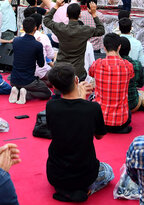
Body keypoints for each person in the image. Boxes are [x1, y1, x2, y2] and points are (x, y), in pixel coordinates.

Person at [46, 63, 112, 202]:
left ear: (54, 87)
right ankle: (84, 190)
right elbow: (99, 136)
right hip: (84, 175)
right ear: (76, 80)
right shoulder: (92, 108)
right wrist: (83, 100)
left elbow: (68, 118)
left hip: (55, 174)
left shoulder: (51, 106)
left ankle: (70, 190)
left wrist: (81, 100)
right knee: (108, 171)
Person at [43, 0, 105, 80]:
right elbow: (101, 30)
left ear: (67, 15)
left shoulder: (61, 28)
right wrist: (94, 14)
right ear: (79, 15)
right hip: (77, 72)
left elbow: (46, 20)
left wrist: (56, 6)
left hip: (61, 69)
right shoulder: (84, 30)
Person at [89, 33, 134, 133]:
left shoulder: (97, 64)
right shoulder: (128, 66)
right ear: (119, 47)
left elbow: (91, 73)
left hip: (100, 119)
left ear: (104, 48)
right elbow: (131, 76)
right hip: (121, 120)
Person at [10, 17, 51, 104]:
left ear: (23, 28)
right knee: (47, 93)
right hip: (28, 80)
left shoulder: (16, 40)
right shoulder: (37, 45)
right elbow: (41, 64)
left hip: (13, 79)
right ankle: (27, 94)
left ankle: (17, 90)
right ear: (35, 28)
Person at [119, 37, 144, 113]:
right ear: (130, 49)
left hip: (117, 105)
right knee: (142, 93)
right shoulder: (136, 64)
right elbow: (141, 84)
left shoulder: (112, 66)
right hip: (133, 104)